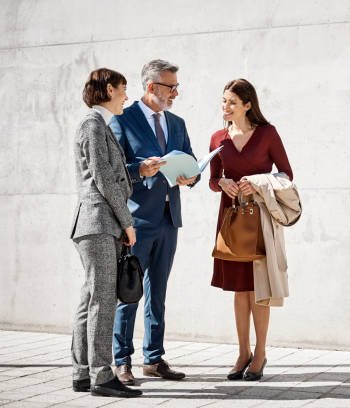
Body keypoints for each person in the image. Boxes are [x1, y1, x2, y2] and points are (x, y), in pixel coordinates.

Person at [109, 59, 198, 384]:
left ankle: (154, 358)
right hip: (135, 221)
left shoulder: (176, 122)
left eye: (176, 86)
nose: (176, 92)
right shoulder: (124, 119)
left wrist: (192, 177)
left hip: (168, 219)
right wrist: (139, 170)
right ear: (151, 87)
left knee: (157, 292)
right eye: (170, 86)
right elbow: (114, 171)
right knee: (129, 292)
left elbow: (189, 160)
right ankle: (121, 361)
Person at [209, 78, 293, 381]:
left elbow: (286, 174)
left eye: (232, 101)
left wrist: (257, 181)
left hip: (260, 220)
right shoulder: (218, 138)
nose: (225, 106)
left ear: (247, 104)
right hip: (231, 219)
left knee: (260, 290)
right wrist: (222, 182)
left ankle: (260, 353)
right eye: (223, 101)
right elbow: (211, 179)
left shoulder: (268, 134)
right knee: (239, 289)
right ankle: (242, 352)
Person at [70, 68, 142, 398]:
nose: (127, 96)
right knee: (102, 300)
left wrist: (139, 172)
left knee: (90, 298)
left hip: (97, 222)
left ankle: (82, 373)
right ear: (109, 89)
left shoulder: (101, 126)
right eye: (124, 89)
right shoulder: (93, 124)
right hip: (99, 222)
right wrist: (128, 222)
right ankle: (102, 374)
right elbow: (101, 178)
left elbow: (110, 175)